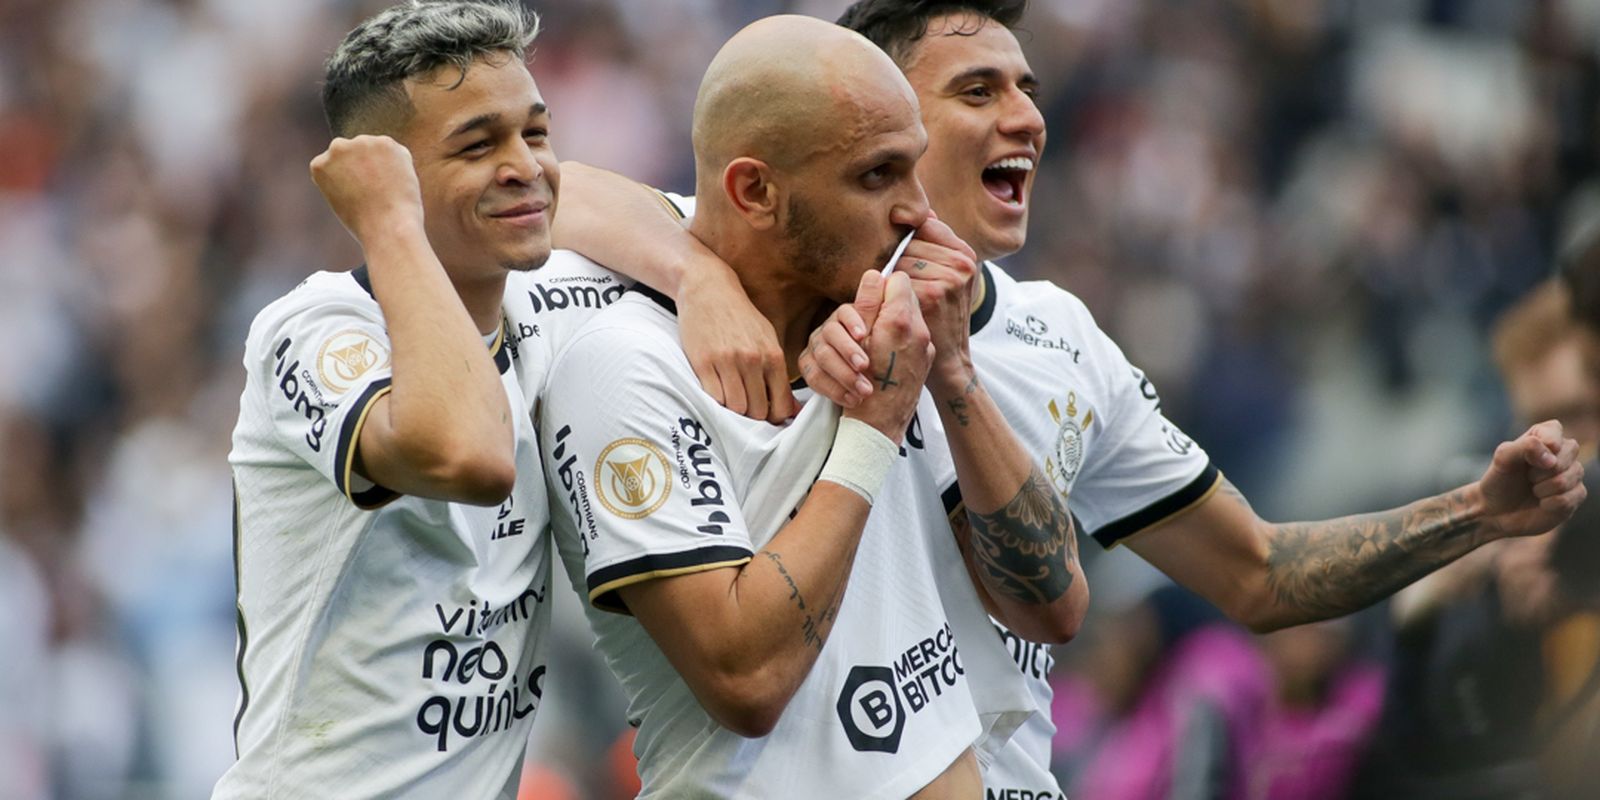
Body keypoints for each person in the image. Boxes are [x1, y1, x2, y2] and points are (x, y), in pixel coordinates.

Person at [552, 2, 1589, 797]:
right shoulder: (775, 257)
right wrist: (697, 278)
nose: (1026, 117)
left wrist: (1478, 515)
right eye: (978, 91)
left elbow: (1254, 573)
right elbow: (550, 187)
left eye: (1027, 85)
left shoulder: (1057, 336)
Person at [218, 2, 778, 796]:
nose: (524, 164)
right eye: (477, 145)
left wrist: (701, 279)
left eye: (536, 131)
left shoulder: (533, 297)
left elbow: (574, 191)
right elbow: (470, 454)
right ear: (389, 182)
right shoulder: (312, 331)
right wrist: (387, 222)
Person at [537, 14, 1086, 798]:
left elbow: (1056, 606)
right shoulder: (626, 365)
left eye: (915, 170)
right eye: (877, 176)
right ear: (755, 191)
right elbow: (747, 681)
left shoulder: (891, 329)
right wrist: (871, 428)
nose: (919, 212)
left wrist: (954, 377)